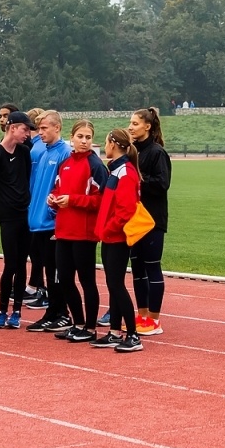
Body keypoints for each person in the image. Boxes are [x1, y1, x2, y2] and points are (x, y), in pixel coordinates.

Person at [49, 119, 109, 343]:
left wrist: (72, 200)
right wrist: (53, 199)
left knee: (86, 280)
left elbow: (101, 200)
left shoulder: (95, 165)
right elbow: (58, 188)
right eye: (80, 137)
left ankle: (91, 327)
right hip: (64, 230)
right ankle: (78, 322)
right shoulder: (65, 163)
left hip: (84, 232)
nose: (84, 141)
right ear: (71, 138)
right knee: (64, 279)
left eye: (88, 137)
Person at [95, 127, 144, 352]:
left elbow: (125, 211)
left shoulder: (125, 172)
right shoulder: (117, 170)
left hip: (116, 238)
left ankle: (133, 335)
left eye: (105, 142)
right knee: (113, 285)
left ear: (113, 145)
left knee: (116, 285)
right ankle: (115, 331)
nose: (104, 146)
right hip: (110, 236)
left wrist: (108, 228)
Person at [26, 111, 73, 332]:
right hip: (37, 221)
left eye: (44, 128)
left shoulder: (64, 153)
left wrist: (56, 218)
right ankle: (53, 311)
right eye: (39, 128)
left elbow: (64, 189)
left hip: (51, 223)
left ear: (57, 128)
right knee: (48, 269)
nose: (40, 133)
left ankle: (61, 312)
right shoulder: (44, 153)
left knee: (56, 271)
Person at [0, 112, 35, 329]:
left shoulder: (25, 152)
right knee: (10, 264)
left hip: (24, 214)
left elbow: (26, 179)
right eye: (25, 129)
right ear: (13, 127)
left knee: (21, 263)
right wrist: (3, 211)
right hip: (7, 217)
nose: (28, 134)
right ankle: (1, 310)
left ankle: (17, 310)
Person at [128, 107, 172, 336]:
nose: (131, 127)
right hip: (134, 220)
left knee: (152, 267)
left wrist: (137, 181)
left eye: (135, 123)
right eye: (130, 123)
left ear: (147, 126)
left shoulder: (156, 152)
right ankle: (141, 314)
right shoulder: (132, 151)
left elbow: (162, 183)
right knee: (136, 269)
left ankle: (154, 319)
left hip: (153, 220)